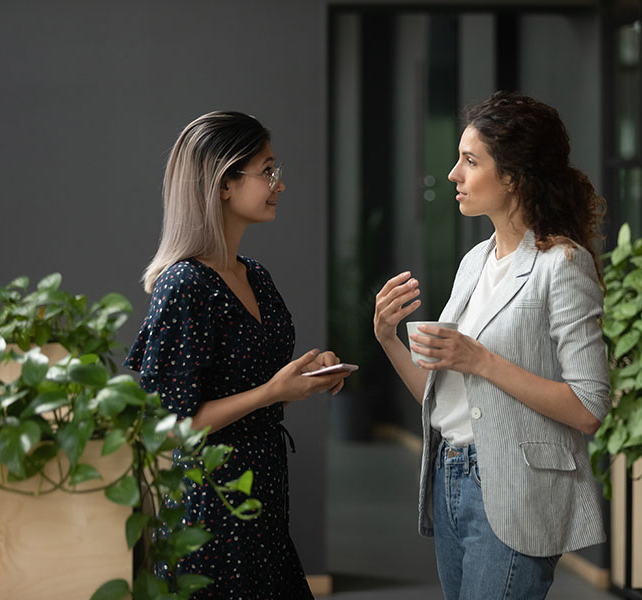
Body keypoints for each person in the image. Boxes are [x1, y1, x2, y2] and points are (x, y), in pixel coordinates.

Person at [373, 92, 610, 600]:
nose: (454, 174)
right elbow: (447, 401)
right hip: (450, 477)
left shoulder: (563, 265)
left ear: (513, 177)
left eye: (470, 160)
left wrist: (479, 359)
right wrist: (388, 339)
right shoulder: (475, 261)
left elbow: (589, 407)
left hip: (515, 489)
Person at [125, 111, 350, 599]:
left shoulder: (257, 276)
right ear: (224, 184)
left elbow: (251, 385)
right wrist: (273, 391)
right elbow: (167, 425)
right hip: (209, 509)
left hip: (263, 500)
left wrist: (305, 376)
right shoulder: (184, 285)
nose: (279, 184)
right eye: (267, 170)